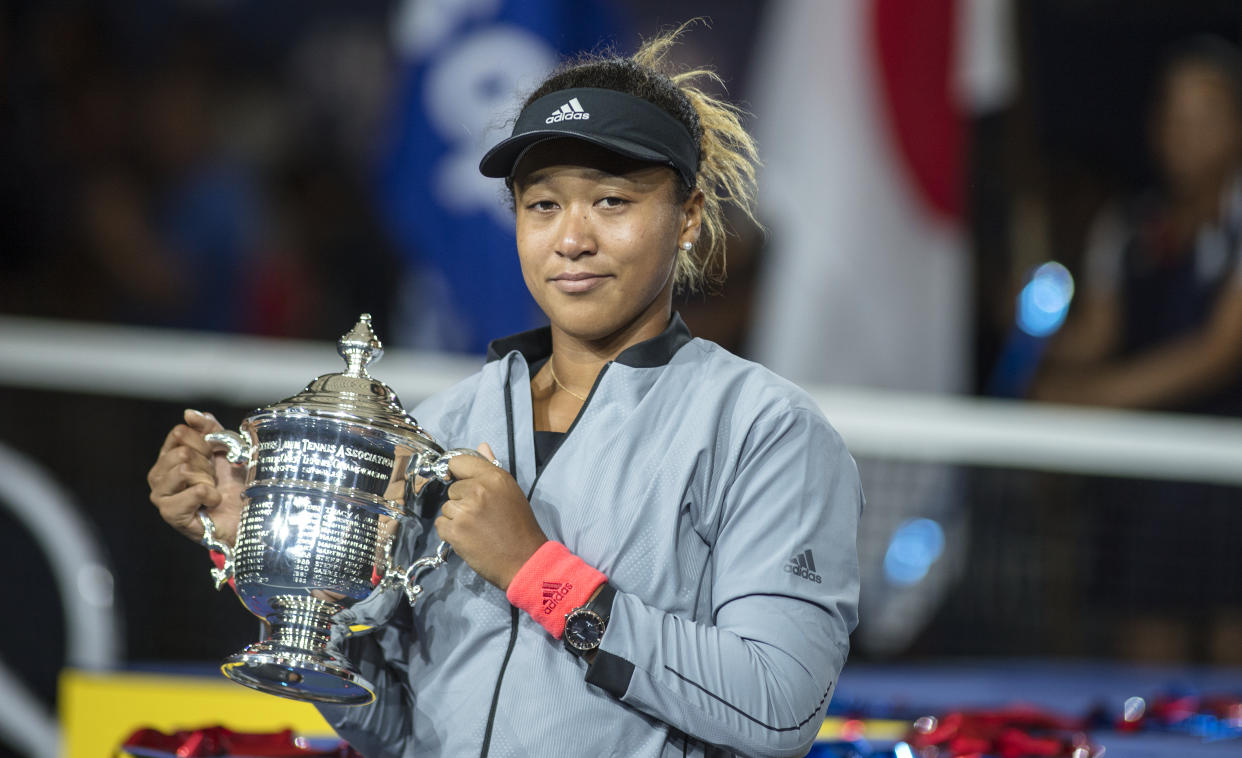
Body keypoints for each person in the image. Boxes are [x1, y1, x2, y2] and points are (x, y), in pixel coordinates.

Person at [147, 24, 862, 758]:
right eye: (542, 205)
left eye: (612, 202)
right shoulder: (443, 422)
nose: (571, 239)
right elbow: (398, 726)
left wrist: (536, 571)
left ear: (688, 217)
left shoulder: (766, 431)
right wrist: (267, 553)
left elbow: (779, 709)